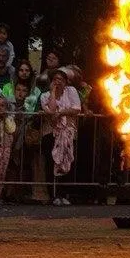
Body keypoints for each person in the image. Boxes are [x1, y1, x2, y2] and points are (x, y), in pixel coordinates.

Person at [39, 69, 81, 205]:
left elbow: (76, 108)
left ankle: (64, 194)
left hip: (67, 133)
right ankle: (53, 195)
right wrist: (53, 93)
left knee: (66, 161)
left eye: (61, 79)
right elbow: (51, 111)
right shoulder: (44, 96)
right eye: (55, 79)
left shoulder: (71, 91)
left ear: (66, 82)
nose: (58, 82)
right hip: (51, 133)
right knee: (51, 163)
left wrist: (62, 112)